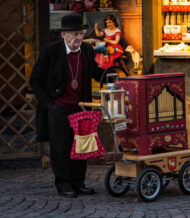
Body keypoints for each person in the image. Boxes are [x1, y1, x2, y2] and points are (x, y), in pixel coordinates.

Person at [29, 14, 102, 198]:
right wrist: (48, 105)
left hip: (80, 107)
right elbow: (35, 80)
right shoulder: (50, 52)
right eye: (75, 34)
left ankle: (79, 182)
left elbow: (95, 71)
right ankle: (63, 184)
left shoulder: (86, 50)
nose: (79, 37)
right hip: (59, 107)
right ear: (64, 35)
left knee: (81, 146)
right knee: (61, 148)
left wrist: (111, 75)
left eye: (81, 33)